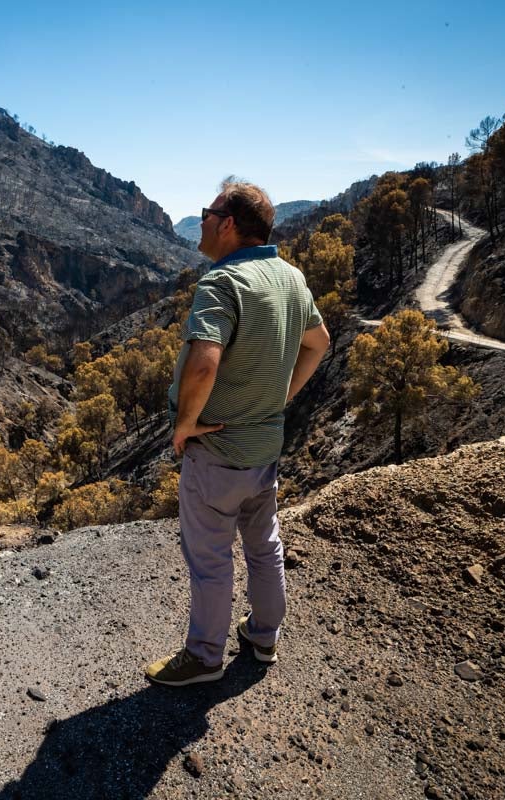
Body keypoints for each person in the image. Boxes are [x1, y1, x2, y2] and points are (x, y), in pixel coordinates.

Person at [145, 178, 331, 686]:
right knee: (263, 544)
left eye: (207, 212)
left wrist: (184, 426)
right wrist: (281, 397)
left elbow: (204, 364)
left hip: (218, 452)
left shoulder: (222, 284)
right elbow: (319, 342)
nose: (201, 219)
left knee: (209, 559)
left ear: (228, 224)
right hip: (264, 448)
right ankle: (264, 634)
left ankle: (204, 658)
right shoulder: (290, 277)